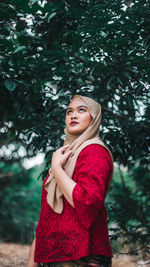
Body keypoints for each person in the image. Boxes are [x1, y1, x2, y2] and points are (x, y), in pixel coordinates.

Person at [26, 94, 113, 267]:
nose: (73, 115)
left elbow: (88, 202)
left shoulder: (95, 151)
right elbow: (47, 217)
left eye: (82, 110)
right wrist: (32, 262)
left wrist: (57, 169)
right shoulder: (65, 157)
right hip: (55, 256)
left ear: (94, 118)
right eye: (69, 112)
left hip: (84, 257)